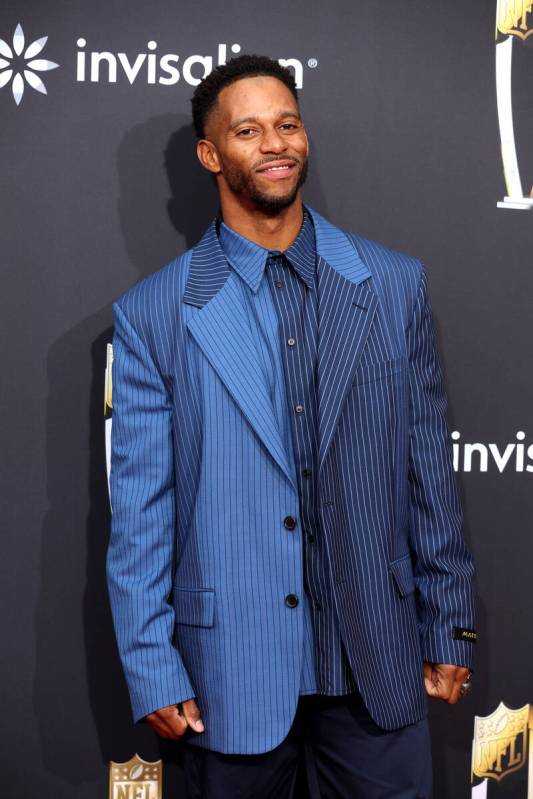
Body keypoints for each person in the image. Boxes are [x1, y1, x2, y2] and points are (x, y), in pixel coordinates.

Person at [106, 53, 476, 798]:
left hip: (375, 662)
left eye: (287, 124)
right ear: (211, 155)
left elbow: (426, 471)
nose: (275, 144)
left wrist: (447, 624)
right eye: (248, 130)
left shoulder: (392, 284)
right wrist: (151, 664)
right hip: (227, 680)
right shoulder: (153, 314)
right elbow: (140, 513)